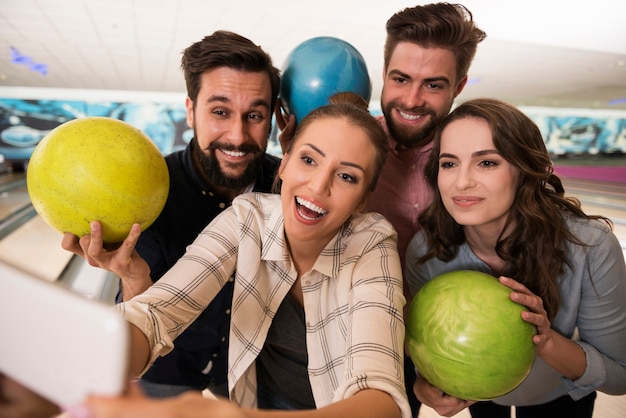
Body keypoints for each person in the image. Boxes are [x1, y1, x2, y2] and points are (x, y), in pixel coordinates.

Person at [57, 92, 411, 418]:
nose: (319, 186)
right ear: (284, 165)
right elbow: (156, 313)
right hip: (261, 400)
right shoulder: (247, 219)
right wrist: (93, 361)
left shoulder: (372, 243)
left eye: (347, 176)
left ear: (363, 199)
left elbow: (380, 396)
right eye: (308, 160)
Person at [405, 98, 626, 418]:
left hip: (558, 395)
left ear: (524, 172)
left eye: (487, 162)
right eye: (449, 163)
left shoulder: (589, 246)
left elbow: (621, 376)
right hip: (479, 394)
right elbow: (421, 344)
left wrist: (546, 341)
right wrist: (423, 383)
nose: (462, 181)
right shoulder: (427, 250)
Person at [113, 30, 281, 399]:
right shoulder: (149, 192)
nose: (237, 136)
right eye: (220, 112)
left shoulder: (289, 189)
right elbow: (139, 310)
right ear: (191, 111)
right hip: (165, 365)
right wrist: (132, 278)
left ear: (271, 120)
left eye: (254, 114)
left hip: (249, 369)